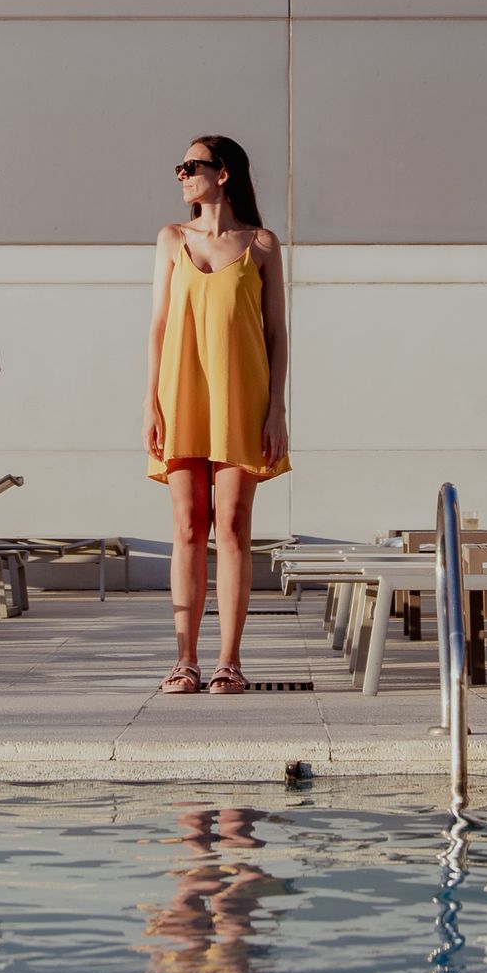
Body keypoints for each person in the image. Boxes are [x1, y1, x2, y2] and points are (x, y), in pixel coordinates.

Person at [144, 136, 288, 696]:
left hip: (242, 397)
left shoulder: (262, 245)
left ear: (222, 173)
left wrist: (276, 410)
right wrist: (151, 402)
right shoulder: (171, 239)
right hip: (181, 393)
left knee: (231, 524)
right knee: (187, 525)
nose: (181, 175)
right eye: (179, 167)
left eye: (191, 166)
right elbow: (159, 326)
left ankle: (230, 660)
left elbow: (276, 335)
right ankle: (185, 659)